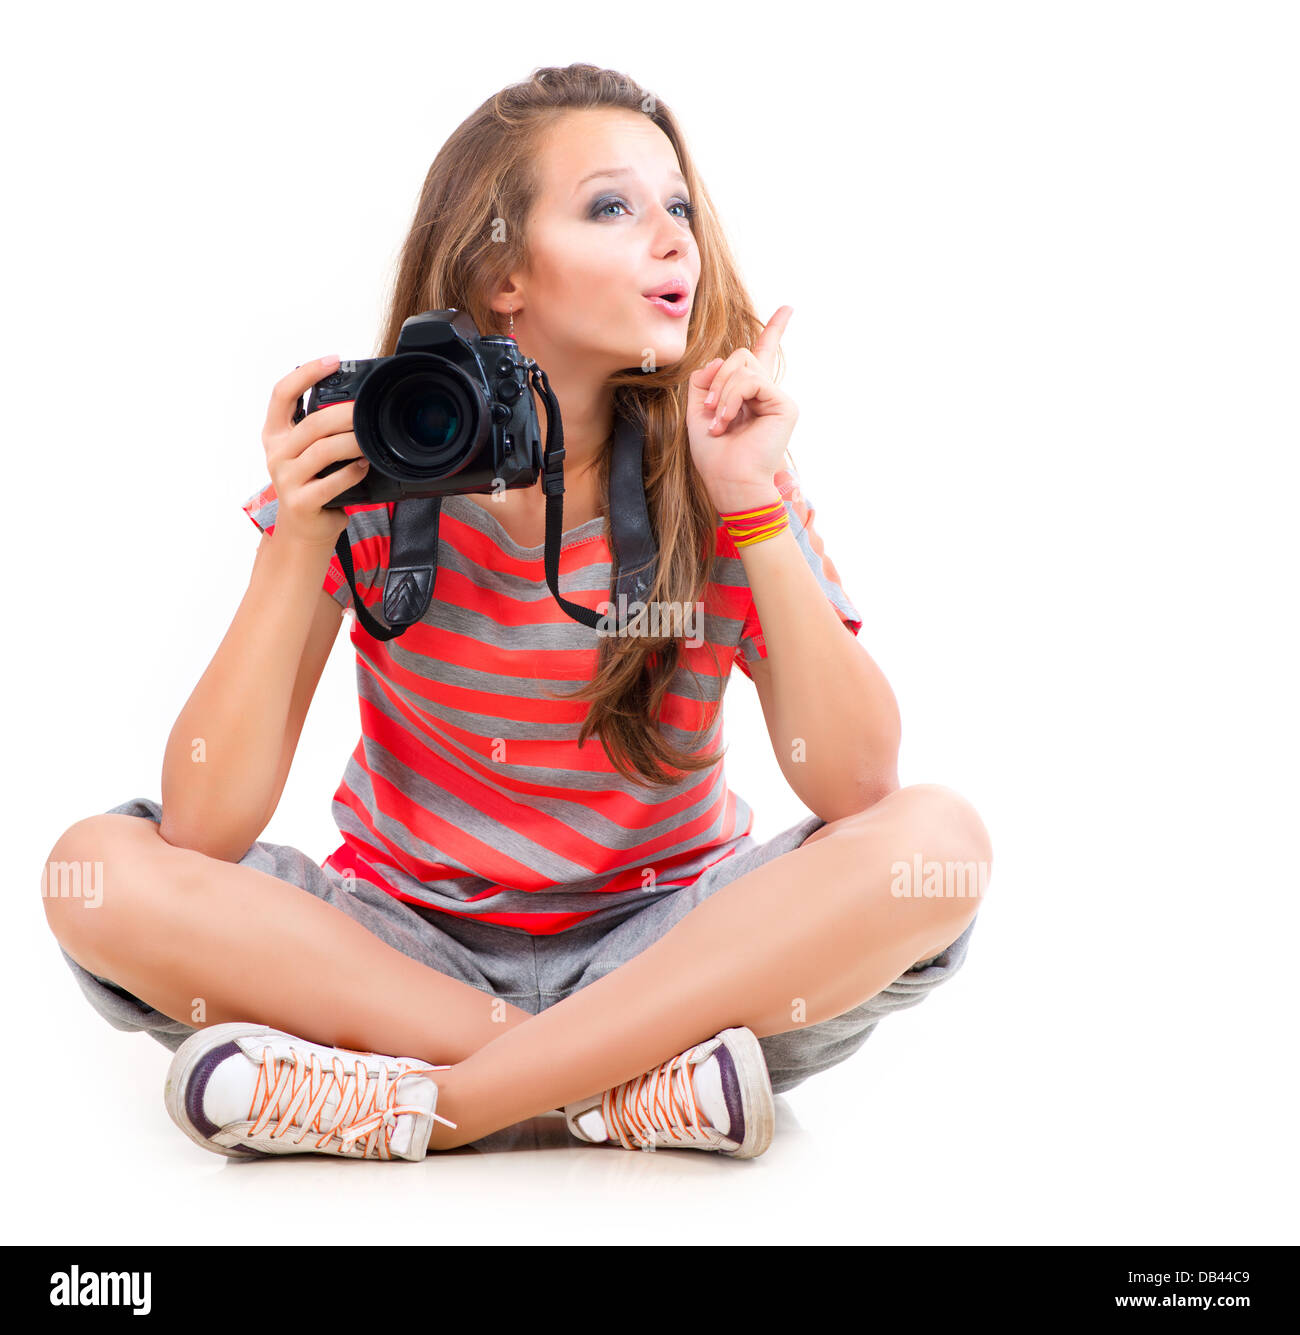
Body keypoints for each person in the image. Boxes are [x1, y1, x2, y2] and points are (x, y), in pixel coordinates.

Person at [41, 63, 992, 1162]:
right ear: (503, 273)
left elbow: (858, 786)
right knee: (98, 873)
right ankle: (620, 1088)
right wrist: (299, 541)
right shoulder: (369, 469)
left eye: (676, 204)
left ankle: (433, 1105)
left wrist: (751, 504)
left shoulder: (721, 465)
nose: (673, 237)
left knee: (939, 844)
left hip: (673, 944)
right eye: (612, 207)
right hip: (405, 956)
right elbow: (205, 827)